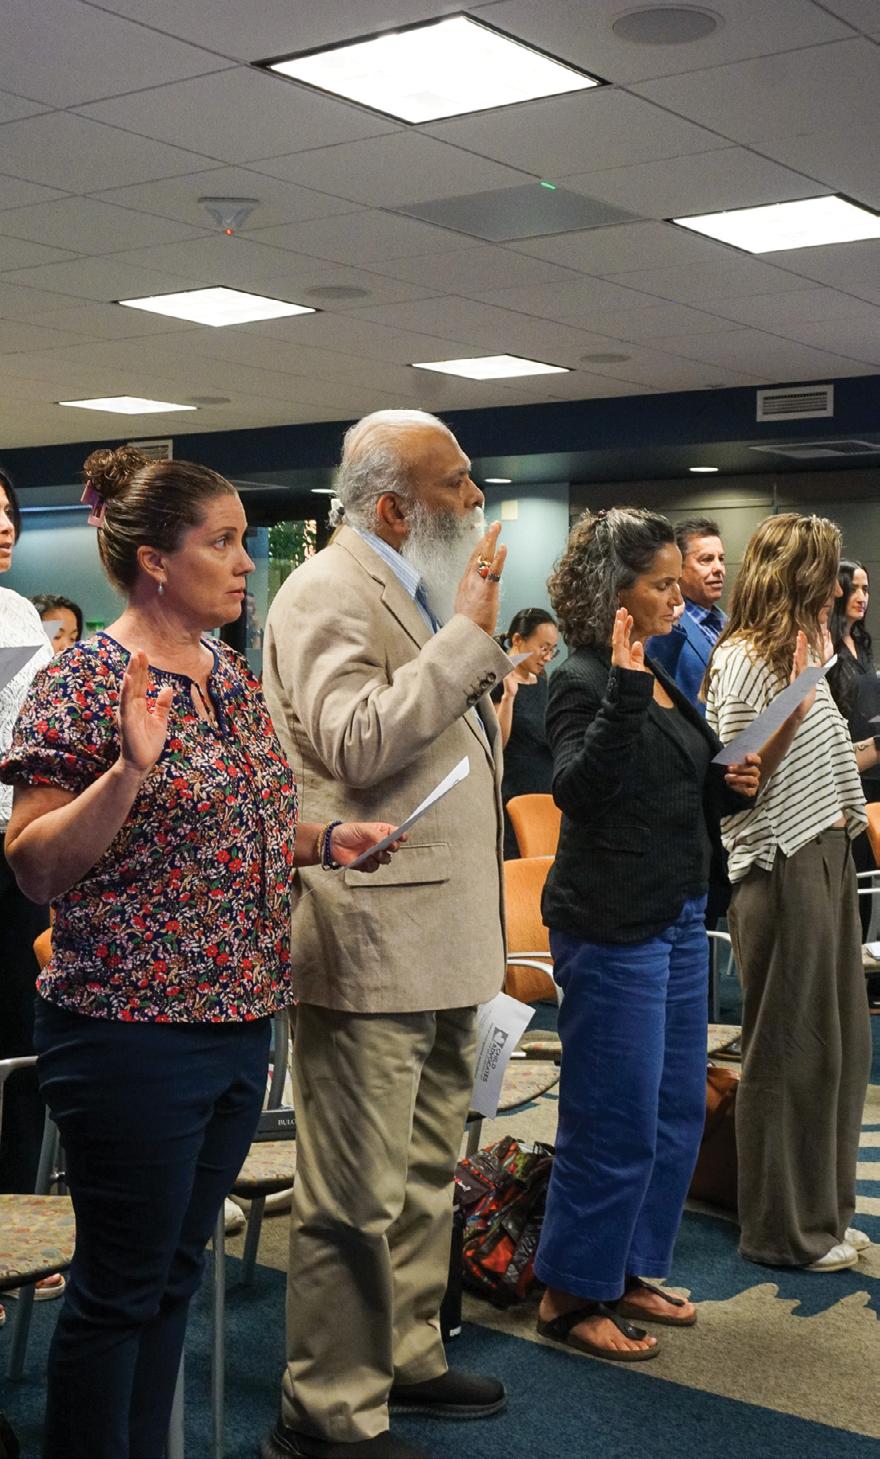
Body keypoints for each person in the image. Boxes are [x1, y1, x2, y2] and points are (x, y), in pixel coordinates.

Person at [0, 445, 399, 1459]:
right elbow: (34, 865)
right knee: (120, 1289)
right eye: (221, 542)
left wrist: (325, 839)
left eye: (242, 541)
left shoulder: (227, 674)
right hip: (129, 1031)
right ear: (153, 561)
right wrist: (126, 773)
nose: (245, 562)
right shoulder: (84, 678)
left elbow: (238, 820)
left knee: (176, 1276)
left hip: (235, 1022)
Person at [261, 409, 510, 1459]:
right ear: (397, 507)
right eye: (457, 482)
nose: (476, 498)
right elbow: (356, 743)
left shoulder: (409, 587)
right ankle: (328, 1407)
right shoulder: (326, 589)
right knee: (354, 1194)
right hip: (368, 939)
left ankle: (407, 1353)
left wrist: (461, 640)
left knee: (420, 1175)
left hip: (439, 934)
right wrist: (467, 639)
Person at [533, 507, 773, 1362]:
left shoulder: (659, 666)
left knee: (674, 1110)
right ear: (616, 593)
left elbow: (669, 782)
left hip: (674, 913)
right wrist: (629, 691)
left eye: (679, 581)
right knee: (614, 1115)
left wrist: (731, 781)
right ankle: (570, 1291)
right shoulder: (583, 675)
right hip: (613, 924)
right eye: (663, 584)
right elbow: (579, 789)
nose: (680, 596)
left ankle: (628, 1268)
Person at [705, 514, 874, 1272]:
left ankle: (823, 1213)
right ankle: (780, 1229)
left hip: (825, 854)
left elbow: (828, 761)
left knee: (838, 1047)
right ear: (798, 575)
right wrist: (795, 710)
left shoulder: (805, 652)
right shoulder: (743, 658)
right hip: (779, 862)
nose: (837, 590)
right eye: (828, 574)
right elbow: (738, 781)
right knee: (788, 1050)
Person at [0, 468, 54, 1331]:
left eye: (9, 511)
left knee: (19, 1033)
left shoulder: (17, 614)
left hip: (15, 842)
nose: (4, 525)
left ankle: (17, 1231)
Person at [828, 561, 880, 939]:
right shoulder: (825, 647)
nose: (862, 597)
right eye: (855, 588)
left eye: (867, 589)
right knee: (856, 874)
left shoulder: (861, 643)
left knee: (872, 872)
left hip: (876, 766)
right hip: (848, 771)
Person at [492, 607, 559, 858]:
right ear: (518, 640)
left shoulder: (542, 682)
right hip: (514, 796)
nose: (548, 657)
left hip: (546, 794)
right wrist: (509, 697)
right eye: (543, 648)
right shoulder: (497, 679)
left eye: (553, 650)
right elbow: (497, 743)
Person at [648, 516, 726, 712]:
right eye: (706, 560)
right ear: (678, 568)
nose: (718, 568)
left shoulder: (730, 624)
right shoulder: (664, 628)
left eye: (721, 559)